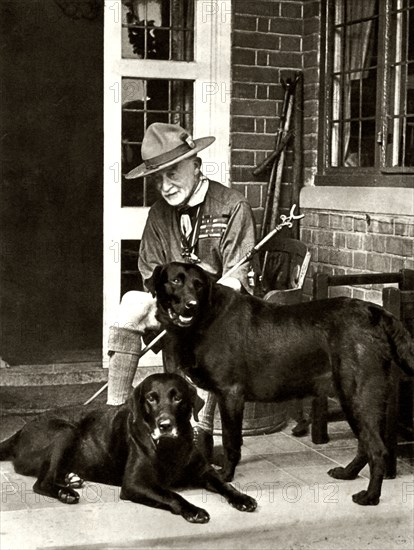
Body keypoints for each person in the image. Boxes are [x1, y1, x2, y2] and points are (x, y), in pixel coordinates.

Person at [107, 122, 256, 460]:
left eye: (172, 172)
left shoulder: (232, 205)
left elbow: (238, 274)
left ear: (196, 165)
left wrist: (199, 307)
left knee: (210, 335)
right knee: (131, 304)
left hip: (219, 312)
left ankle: (198, 435)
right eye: (157, 178)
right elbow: (149, 270)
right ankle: (115, 418)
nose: (165, 185)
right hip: (172, 309)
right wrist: (171, 310)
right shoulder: (159, 214)